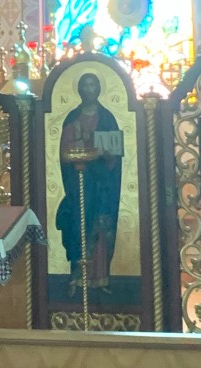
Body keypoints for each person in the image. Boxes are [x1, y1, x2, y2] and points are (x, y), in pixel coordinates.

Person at [56, 72, 123, 295]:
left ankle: (101, 278)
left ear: (99, 89)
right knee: (78, 226)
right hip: (79, 185)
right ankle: (77, 278)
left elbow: (113, 152)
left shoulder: (107, 118)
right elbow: (65, 154)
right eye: (85, 85)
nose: (89, 89)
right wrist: (83, 149)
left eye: (93, 85)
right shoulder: (73, 119)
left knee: (101, 229)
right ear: (80, 90)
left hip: (103, 185)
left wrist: (101, 152)